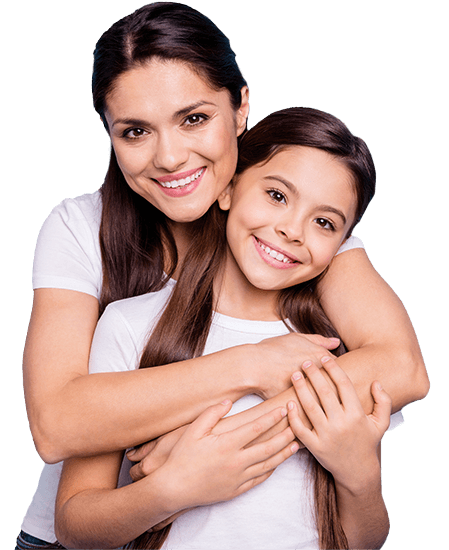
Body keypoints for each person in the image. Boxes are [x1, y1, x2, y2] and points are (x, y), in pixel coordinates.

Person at [18, 2, 428, 549]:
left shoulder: (293, 231)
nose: (169, 157)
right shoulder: (82, 229)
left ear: (240, 109)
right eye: (135, 131)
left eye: (194, 118)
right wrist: (252, 368)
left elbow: (401, 367)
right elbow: (57, 424)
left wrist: (224, 442)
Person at [55, 107, 402, 550]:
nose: (292, 230)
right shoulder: (130, 325)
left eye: (324, 222)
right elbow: (73, 525)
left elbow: (362, 540)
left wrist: (361, 478)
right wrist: (171, 489)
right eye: (277, 195)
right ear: (227, 191)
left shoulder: (339, 349)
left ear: (342, 245)